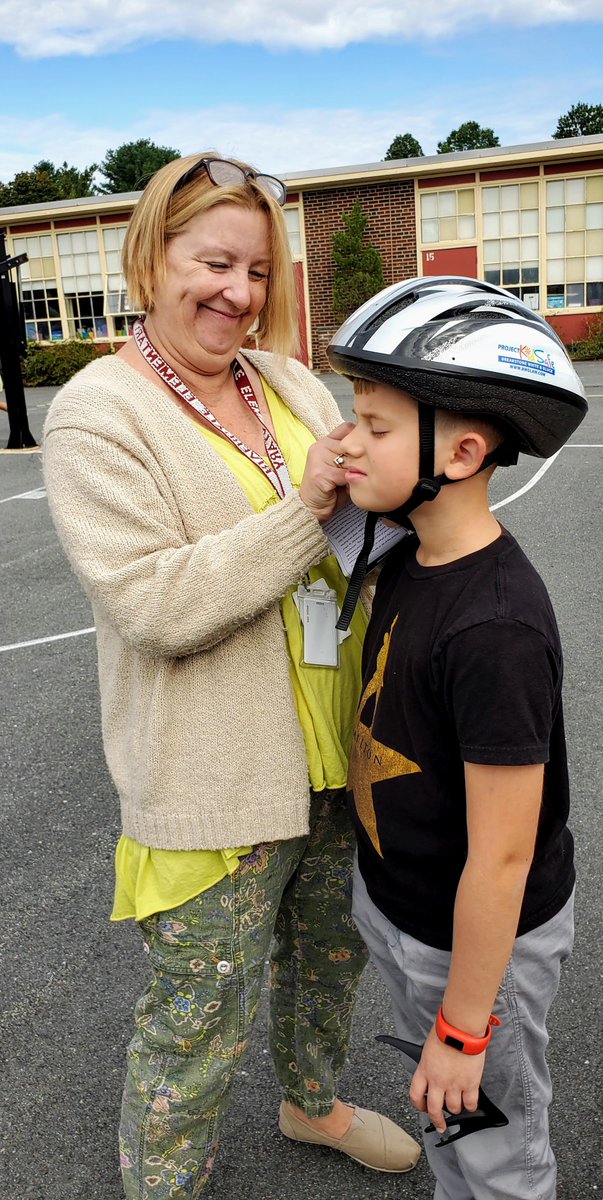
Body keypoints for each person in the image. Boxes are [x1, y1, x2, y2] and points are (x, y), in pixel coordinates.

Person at [42, 153, 420, 1199]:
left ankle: (313, 1103)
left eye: (257, 273)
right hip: (218, 780)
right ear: (151, 258)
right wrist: (302, 511)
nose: (238, 294)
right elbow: (153, 606)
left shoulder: (290, 380)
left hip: (341, 752)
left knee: (328, 964)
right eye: (214, 262)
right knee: (196, 1015)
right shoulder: (97, 415)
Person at [326, 276, 588, 1200]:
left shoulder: (495, 630)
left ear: (465, 449)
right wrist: (352, 465)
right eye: (348, 417)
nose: (346, 441)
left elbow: (506, 854)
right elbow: (335, 513)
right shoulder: (407, 549)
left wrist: (465, 1025)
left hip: (479, 946)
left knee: (493, 1137)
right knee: (450, 1122)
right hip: (407, 911)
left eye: (375, 425)